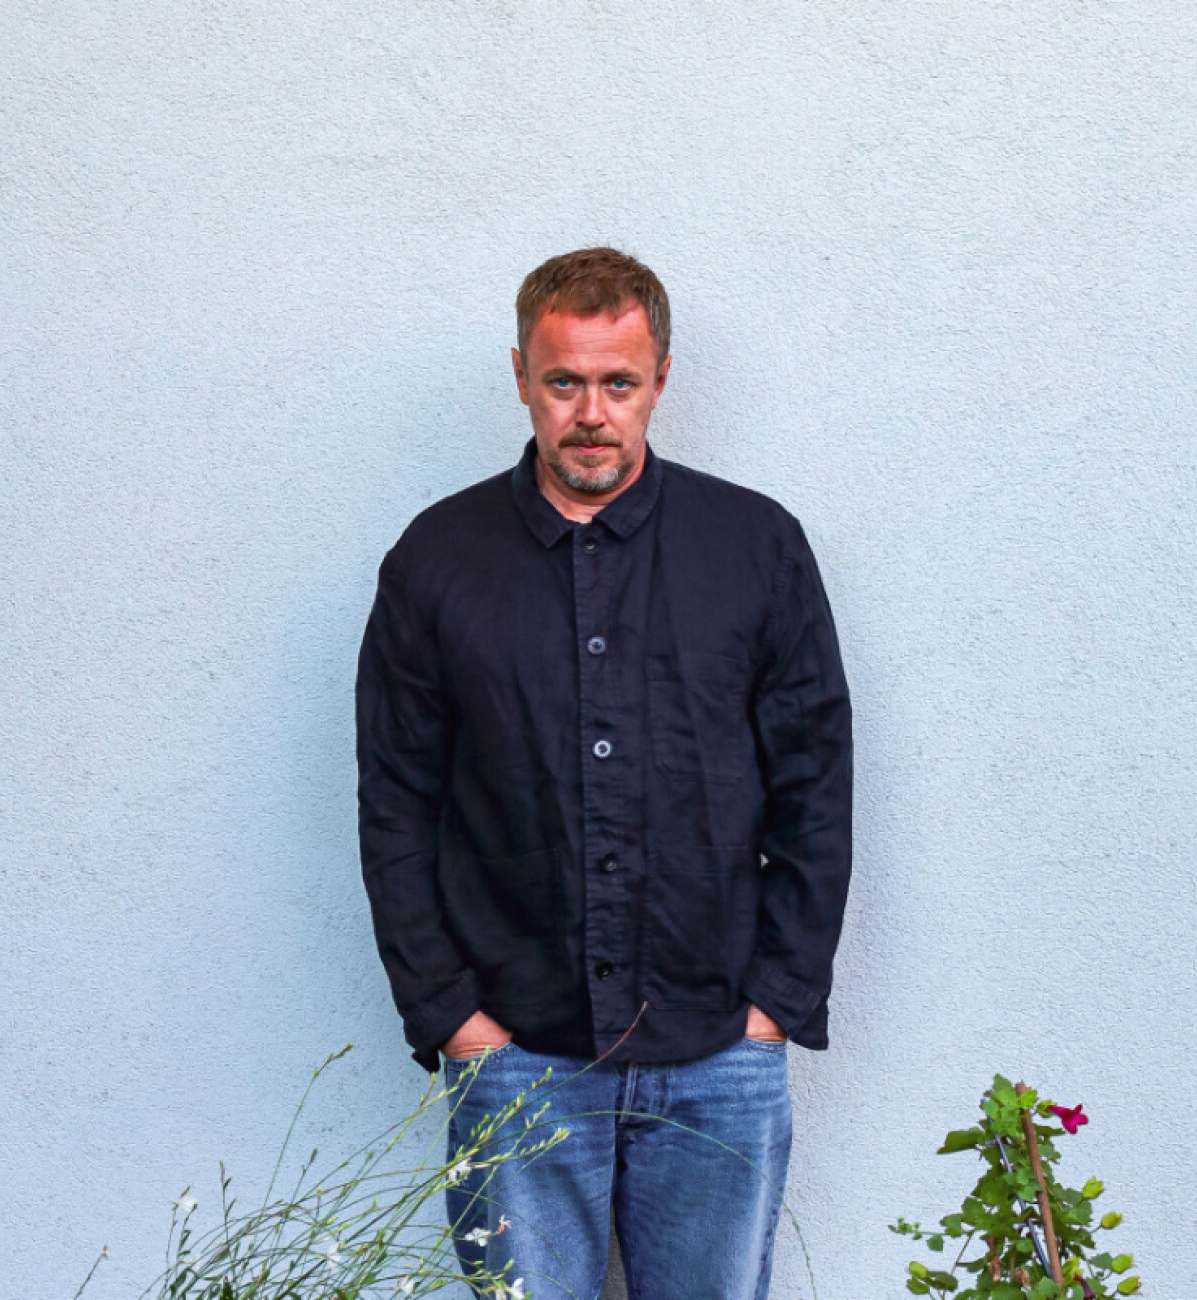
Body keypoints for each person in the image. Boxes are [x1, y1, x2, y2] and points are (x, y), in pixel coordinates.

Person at [356, 247, 852, 1299]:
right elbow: (396, 802)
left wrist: (775, 1003)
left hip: (718, 1055)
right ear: (520, 377)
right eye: (564, 382)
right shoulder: (438, 560)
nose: (591, 413)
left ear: (660, 378)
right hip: (516, 1055)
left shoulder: (755, 547)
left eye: (618, 382)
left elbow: (815, 784)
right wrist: (453, 1018)